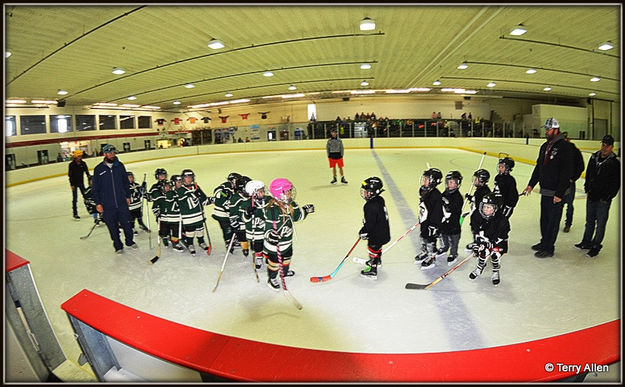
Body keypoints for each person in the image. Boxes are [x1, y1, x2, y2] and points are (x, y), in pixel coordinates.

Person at [522, 118, 573, 258]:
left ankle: (549, 248)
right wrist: (531, 184)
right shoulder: (545, 146)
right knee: (544, 219)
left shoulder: (565, 147)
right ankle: (544, 242)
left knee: (553, 221)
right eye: (545, 129)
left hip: (556, 193)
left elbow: (566, 172)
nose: (546, 131)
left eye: (548, 129)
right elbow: (539, 167)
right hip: (546, 191)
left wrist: (560, 193)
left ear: (556, 130)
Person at [263, 178, 315, 291]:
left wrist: (305, 211)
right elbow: (266, 228)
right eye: (286, 191)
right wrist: (270, 235)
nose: (290, 193)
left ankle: (284, 273)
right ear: (278, 193)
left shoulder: (291, 204)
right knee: (275, 262)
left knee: (287, 257)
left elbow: (297, 217)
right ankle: (271, 279)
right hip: (274, 246)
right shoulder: (272, 210)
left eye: (290, 190)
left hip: (287, 242)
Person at [575, 135, 620, 258]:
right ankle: (586, 242)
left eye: (607, 146)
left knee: (600, 224)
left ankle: (596, 246)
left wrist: (608, 196)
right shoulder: (594, 157)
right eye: (603, 145)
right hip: (591, 195)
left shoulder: (615, 163)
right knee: (589, 221)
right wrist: (587, 188)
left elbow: (616, 183)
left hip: (603, 200)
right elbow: (589, 174)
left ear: (612, 147)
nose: (604, 148)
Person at [92, 144, 137, 254]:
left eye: (113, 152)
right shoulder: (99, 169)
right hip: (107, 204)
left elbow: (125, 183)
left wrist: (127, 196)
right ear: (105, 154)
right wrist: (98, 203)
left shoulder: (120, 166)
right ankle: (118, 245)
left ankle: (129, 241)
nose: (112, 155)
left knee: (127, 224)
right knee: (112, 227)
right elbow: (95, 188)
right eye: (109, 153)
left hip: (121, 202)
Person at [468, 192, 510, 286]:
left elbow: (502, 236)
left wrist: (490, 243)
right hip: (485, 239)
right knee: (483, 253)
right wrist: (477, 244)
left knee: (495, 255)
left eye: (489, 207)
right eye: (484, 206)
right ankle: (479, 268)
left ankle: (495, 271)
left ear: (495, 208)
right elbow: (476, 231)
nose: (485, 209)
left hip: (498, 242)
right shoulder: (476, 215)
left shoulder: (502, 220)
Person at [358, 177, 391, 280]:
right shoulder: (380, 199)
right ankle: (378, 261)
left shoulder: (370, 206)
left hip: (376, 234)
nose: (364, 193)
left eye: (366, 191)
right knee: (377, 247)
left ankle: (373, 269)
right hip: (384, 232)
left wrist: (363, 231)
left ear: (372, 192)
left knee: (372, 248)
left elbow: (370, 224)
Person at [414, 168, 443, 270]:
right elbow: (422, 205)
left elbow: (438, 212)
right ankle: (424, 252)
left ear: (433, 181)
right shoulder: (423, 190)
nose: (424, 180)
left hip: (432, 222)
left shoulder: (436, 195)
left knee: (431, 239)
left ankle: (431, 256)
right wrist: (421, 216)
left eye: (426, 179)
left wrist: (435, 225)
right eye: (425, 178)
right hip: (425, 220)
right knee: (423, 235)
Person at [177, 169, 211, 256]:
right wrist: (195, 196)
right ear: (183, 179)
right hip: (188, 216)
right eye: (186, 177)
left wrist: (209, 199)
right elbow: (186, 202)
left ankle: (201, 242)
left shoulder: (196, 187)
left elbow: (203, 198)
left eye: (190, 177)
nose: (188, 179)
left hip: (198, 214)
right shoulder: (180, 190)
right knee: (190, 231)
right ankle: (190, 244)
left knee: (200, 229)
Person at [436, 171, 464, 266]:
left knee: (454, 239)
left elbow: (456, 209)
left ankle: (453, 253)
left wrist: (449, 205)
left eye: (452, 182)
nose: (449, 184)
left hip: (453, 223)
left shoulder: (458, 197)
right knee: (443, 234)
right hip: (444, 221)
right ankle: (444, 247)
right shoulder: (446, 192)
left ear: (457, 183)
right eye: (448, 182)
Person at [561, 132, 585, 233]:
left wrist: (573, 178)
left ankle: (568, 224)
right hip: (559, 183)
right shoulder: (559, 150)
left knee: (569, 204)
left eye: (566, 139)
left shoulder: (574, 151)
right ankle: (555, 221)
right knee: (559, 204)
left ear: (569, 139)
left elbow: (581, 166)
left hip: (570, 183)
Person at [153, 179, 185, 252]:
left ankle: (175, 243)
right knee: (164, 231)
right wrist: (157, 213)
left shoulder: (174, 194)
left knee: (175, 232)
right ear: (161, 187)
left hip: (174, 218)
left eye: (169, 186)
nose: (168, 188)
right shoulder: (159, 197)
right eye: (165, 186)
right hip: (164, 218)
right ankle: (165, 238)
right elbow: (155, 207)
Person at [243, 180, 268, 269]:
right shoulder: (247, 204)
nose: (263, 193)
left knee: (268, 244)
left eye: (263, 191)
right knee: (257, 246)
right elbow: (244, 219)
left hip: (266, 229)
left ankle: (268, 256)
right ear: (253, 193)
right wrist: (247, 213)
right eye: (260, 192)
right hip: (255, 232)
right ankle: (258, 257)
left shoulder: (267, 200)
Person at [212, 172, 241, 250]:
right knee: (227, 228)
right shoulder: (227, 185)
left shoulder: (235, 188)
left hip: (227, 213)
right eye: (237, 180)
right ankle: (228, 242)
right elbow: (217, 191)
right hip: (221, 213)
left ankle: (233, 239)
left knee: (233, 226)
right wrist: (224, 194)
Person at [464, 168, 492, 250]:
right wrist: (470, 198)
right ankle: (476, 242)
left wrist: (472, 199)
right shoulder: (480, 190)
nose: (474, 180)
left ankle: (479, 243)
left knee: (477, 229)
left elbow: (480, 203)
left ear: (482, 180)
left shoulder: (484, 191)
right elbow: (477, 199)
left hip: (479, 215)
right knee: (474, 228)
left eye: (476, 179)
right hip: (476, 214)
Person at [229, 175, 252, 257]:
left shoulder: (251, 197)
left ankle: (257, 253)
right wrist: (234, 221)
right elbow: (233, 212)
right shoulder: (236, 199)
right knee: (242, 236)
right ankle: (245, 248)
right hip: (241, 223)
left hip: (250, 222)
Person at [68, 149, 90, 220]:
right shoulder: (71, 165)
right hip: (74, 183)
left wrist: (90, 179)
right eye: (79, 156)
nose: (80, 158)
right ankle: (75, 213)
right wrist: (72, 185)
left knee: (86, 196)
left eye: (81, 156)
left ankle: (90, 210)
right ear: (75, 157)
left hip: (81, 183)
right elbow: (70, 175)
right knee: (75, 199)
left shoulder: (83, 163)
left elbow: (87, 172)